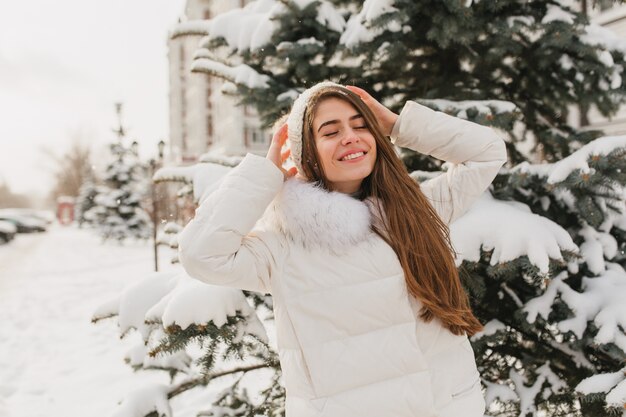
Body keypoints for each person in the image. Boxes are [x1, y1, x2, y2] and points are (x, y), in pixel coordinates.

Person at [178, 81, 507, 417]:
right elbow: (201, 255)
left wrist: (396, 124)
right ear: (306, 151)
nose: (350, 136)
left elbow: (488, 152)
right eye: (330, 131)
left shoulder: (416, 212)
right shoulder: (282, 244)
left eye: (361, 125)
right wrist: (264, 174)